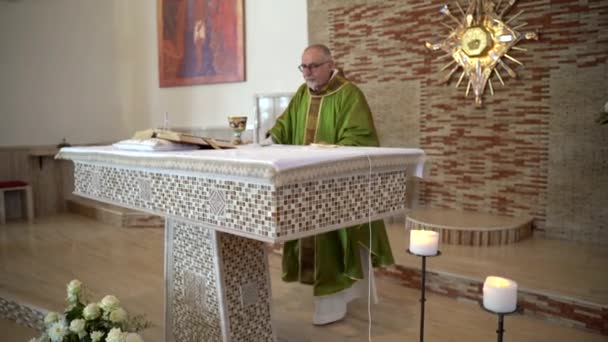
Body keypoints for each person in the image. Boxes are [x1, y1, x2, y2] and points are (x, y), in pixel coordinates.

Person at [267, 44, 395, 325]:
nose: (307, 73)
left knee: (332, 242)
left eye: (313, 66)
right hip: (307, 185)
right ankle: (326, 298)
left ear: (330, 64)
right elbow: (284, 125)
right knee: (312, 237)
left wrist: (327, 149)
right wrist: (269, 140)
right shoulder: (303, 94)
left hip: (336, 187)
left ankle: (333, 303)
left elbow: (361, 139)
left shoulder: (349, 94)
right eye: (303, 67)